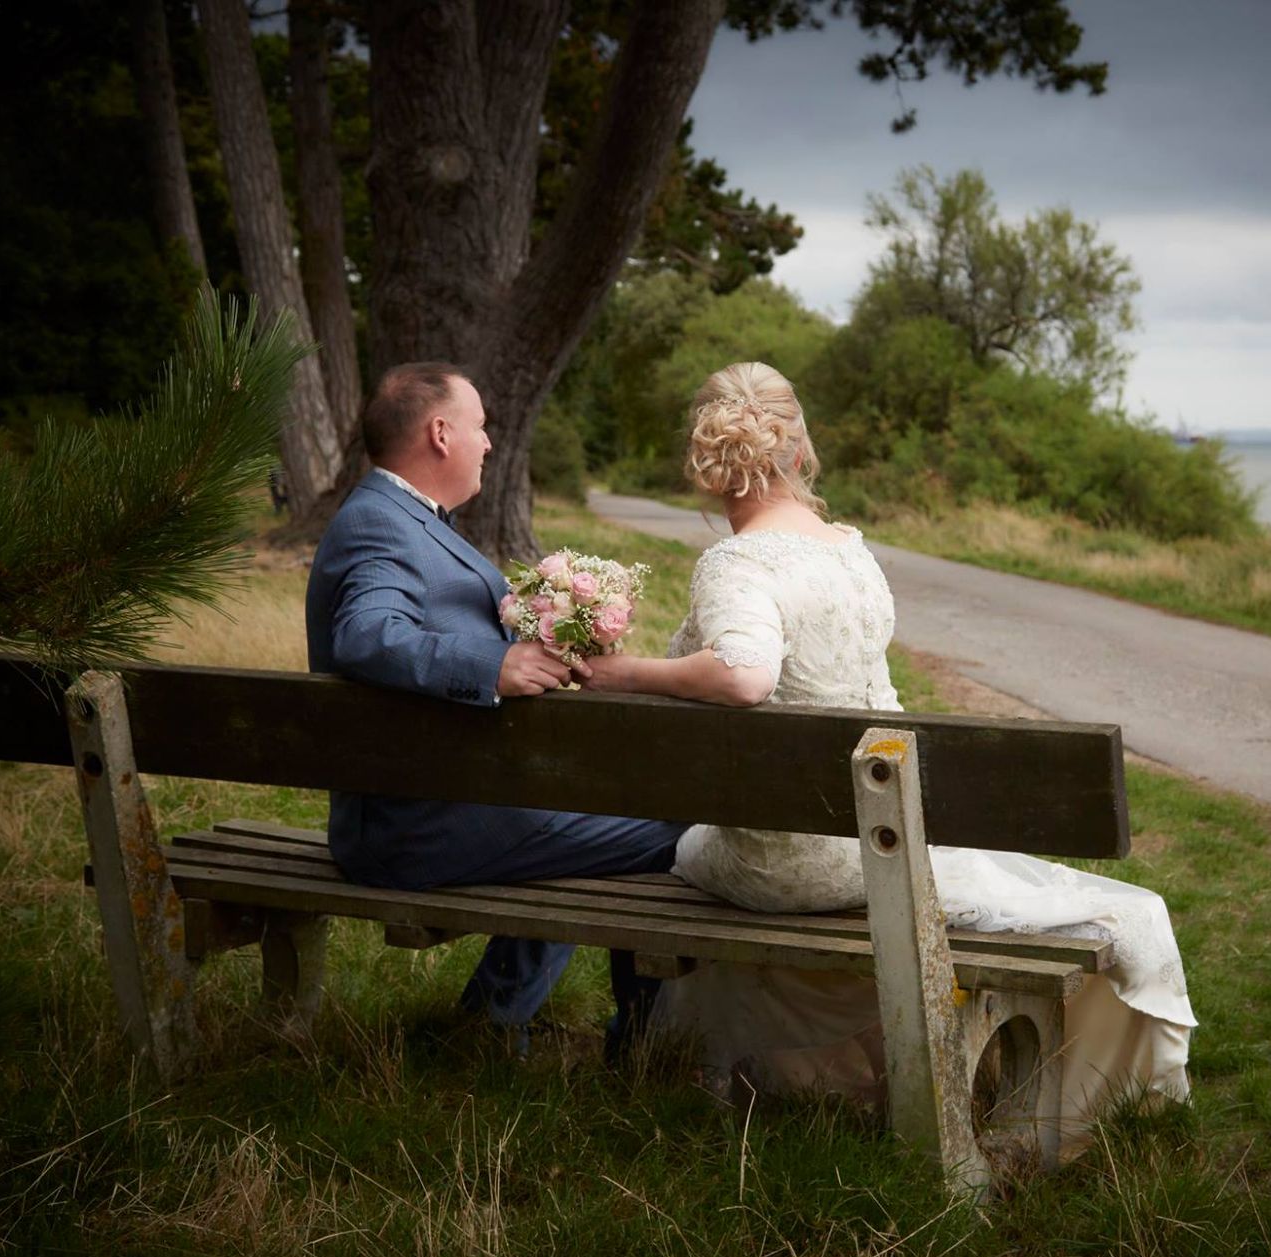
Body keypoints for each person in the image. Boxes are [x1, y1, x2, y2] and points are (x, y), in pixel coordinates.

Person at [581, 362, 1195, 1136]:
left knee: (686, 846)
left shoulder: (736, 563)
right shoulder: (849, 552)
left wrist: (622, 670)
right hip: (885, 836)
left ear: (709, 468)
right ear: (799, 456)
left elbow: (743, 677)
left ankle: (676, 1059)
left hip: (791, 868)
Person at [304, 362, 686, 1052]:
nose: (489, 443)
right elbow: (366, 635)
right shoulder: (379, 527)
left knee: (610, 813)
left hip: (447, 801)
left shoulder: (403, 518)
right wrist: (495, 664)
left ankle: (493, 1020)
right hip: (415, 825)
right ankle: (638, 1045)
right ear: (442, 433)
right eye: (480, 427)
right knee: (675, 835)